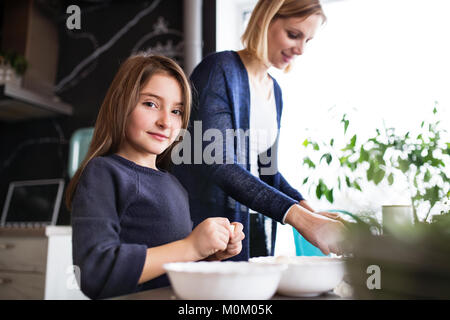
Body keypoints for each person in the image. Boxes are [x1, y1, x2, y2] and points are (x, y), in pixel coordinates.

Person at [172, 0, 346, 261]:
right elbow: (217, 162)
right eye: (293, 34)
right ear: (266, 20)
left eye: (307, 41)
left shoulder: (273, 91)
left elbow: (267, 170)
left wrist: (307, 210)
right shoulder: (219, 70)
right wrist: (300, 219)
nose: (299, 50)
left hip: (252, 226)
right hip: (208, 229)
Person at [65, 54, 245, 300]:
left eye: (176, 111)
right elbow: (94, 273)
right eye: (151, 104)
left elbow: (168, 257)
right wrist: (190, 247)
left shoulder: (174, 185)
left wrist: (208, 253)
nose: (165, 122)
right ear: (121, 104)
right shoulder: (103, 173)